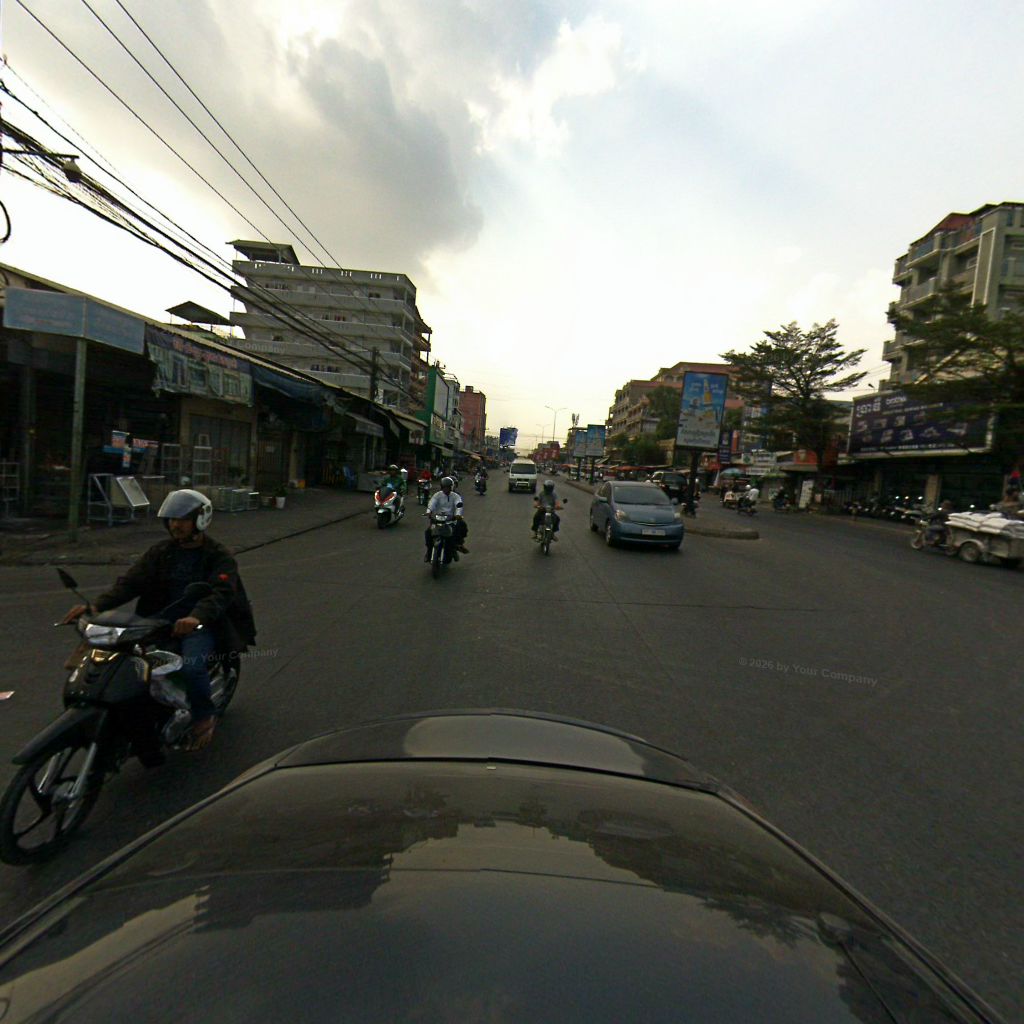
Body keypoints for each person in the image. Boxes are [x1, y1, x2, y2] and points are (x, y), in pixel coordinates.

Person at [61, 489, 256, 755]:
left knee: (193, 668)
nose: (175, 525)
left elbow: (220, 593)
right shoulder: (161, 551)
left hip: (199, 624)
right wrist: (95, 606)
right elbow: (131, 582)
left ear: (200, 520)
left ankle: (203, 717)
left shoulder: (218, 556)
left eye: (183, 519)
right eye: (172, 519)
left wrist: (196, 617)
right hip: (157, 620)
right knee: (118, 657)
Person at [424, 476, 469, 561]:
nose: (446, 489)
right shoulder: (437, 495)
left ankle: (455, 548)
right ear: (442, 487)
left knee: (455, 533)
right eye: (444, 487)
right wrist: (429, 511)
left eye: (448, 487)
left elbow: (459, 505)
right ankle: (429, 551)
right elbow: (431, 503)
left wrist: (457, 514)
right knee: (428, 532)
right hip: (437, 519)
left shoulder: (455, 496)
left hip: (450, 519)